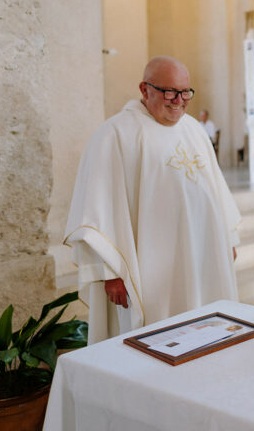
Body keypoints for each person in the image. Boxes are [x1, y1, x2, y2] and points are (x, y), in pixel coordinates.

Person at [65, 56, 241, 344]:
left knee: (206, 330)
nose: (179, 101)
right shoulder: (115, 134)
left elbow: (216, 189)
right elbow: (96, 209)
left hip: (201, 255)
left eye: (185, 92)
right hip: (150, 266)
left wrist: (228, 238)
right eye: (169, 91)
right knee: (157, 340)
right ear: (144, 89)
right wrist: (111, 273)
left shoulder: (194, 129)